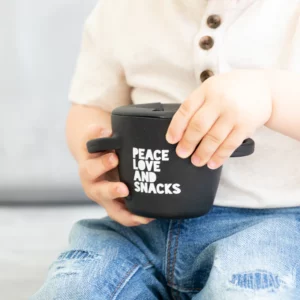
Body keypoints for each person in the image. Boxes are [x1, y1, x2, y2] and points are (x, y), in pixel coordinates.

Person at [31, 1, 300, 299]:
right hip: (140, 226)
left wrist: (270, 94)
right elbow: (92, 104)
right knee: (74, 288)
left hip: (271, 223)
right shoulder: (123, 10)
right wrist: (94, 157)